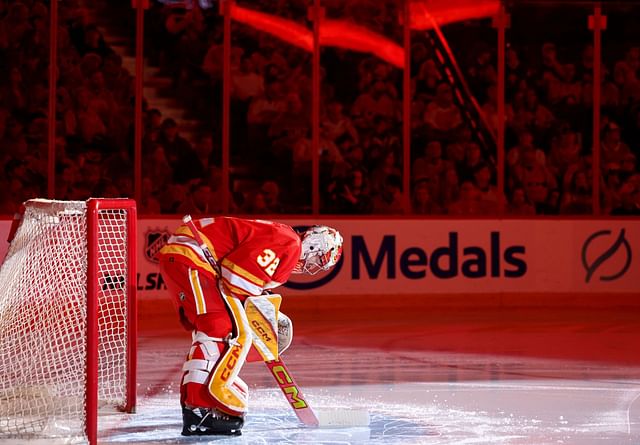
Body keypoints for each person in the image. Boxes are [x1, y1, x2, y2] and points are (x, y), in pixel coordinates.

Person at [158, 217, 343, 436]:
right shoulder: (290, 244)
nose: (312, 266)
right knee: (222, 330)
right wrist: (258, 316)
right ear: (314, 244)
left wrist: (258, 311)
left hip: (187, 256)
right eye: (317, 259)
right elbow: (235, 276)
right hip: (193, 257)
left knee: (216, 329)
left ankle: (196, 406)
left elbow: (238, 276)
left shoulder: (285, 240)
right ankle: (200, 407)